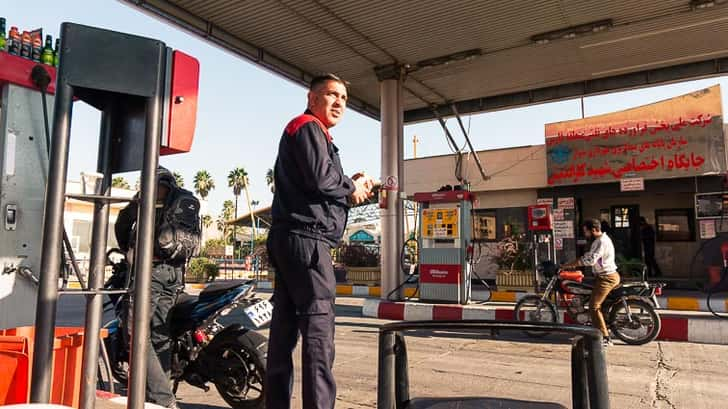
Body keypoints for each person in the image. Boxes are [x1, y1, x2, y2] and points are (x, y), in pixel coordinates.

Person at [266, 73, 374, 409]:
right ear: (312, 99)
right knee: (318, 329)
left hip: (290, 239)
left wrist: (348, 187)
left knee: (283, 331)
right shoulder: (308, 127)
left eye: (344, 97)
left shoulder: (307, 132)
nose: (340, 102)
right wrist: (349, 186)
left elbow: (320, 181)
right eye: (332, 95)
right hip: (308, 242)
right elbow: (321, 178)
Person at [115, 166, 200, 408]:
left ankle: (163, 399)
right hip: (175, 275)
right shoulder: (182, 200)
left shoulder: (145, 199)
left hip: (149, 273)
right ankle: (157, 395)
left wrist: (126, 249)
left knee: (135, 334)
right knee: (160, 336)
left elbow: (122, 224)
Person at [564, 219, 620, 346]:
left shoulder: (601, 242)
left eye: (586, 231)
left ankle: (605, 338)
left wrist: (569, 265)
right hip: (603, 276)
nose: (585, 234)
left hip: (607, 278)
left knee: (593, 306)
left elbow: (590, 260)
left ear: (593, 230)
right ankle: (596, 327)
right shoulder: (600, 241)